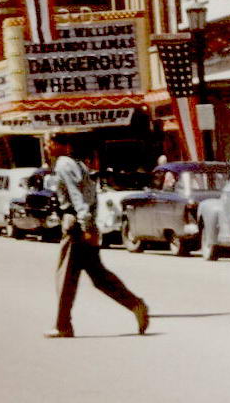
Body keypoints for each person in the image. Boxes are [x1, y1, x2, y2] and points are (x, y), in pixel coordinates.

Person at [43, 132, 149, 338]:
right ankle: (135, 304)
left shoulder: (64, 164)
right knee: (99, 276)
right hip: (83, 224)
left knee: (65, 277)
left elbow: (77, 197)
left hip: (75, 226)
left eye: (49, 143)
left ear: (61, 145)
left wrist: (86, 226)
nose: (47, 147)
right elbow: (90, 195)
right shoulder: (78, 164)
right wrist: (90, 224)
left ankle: (63, 325)